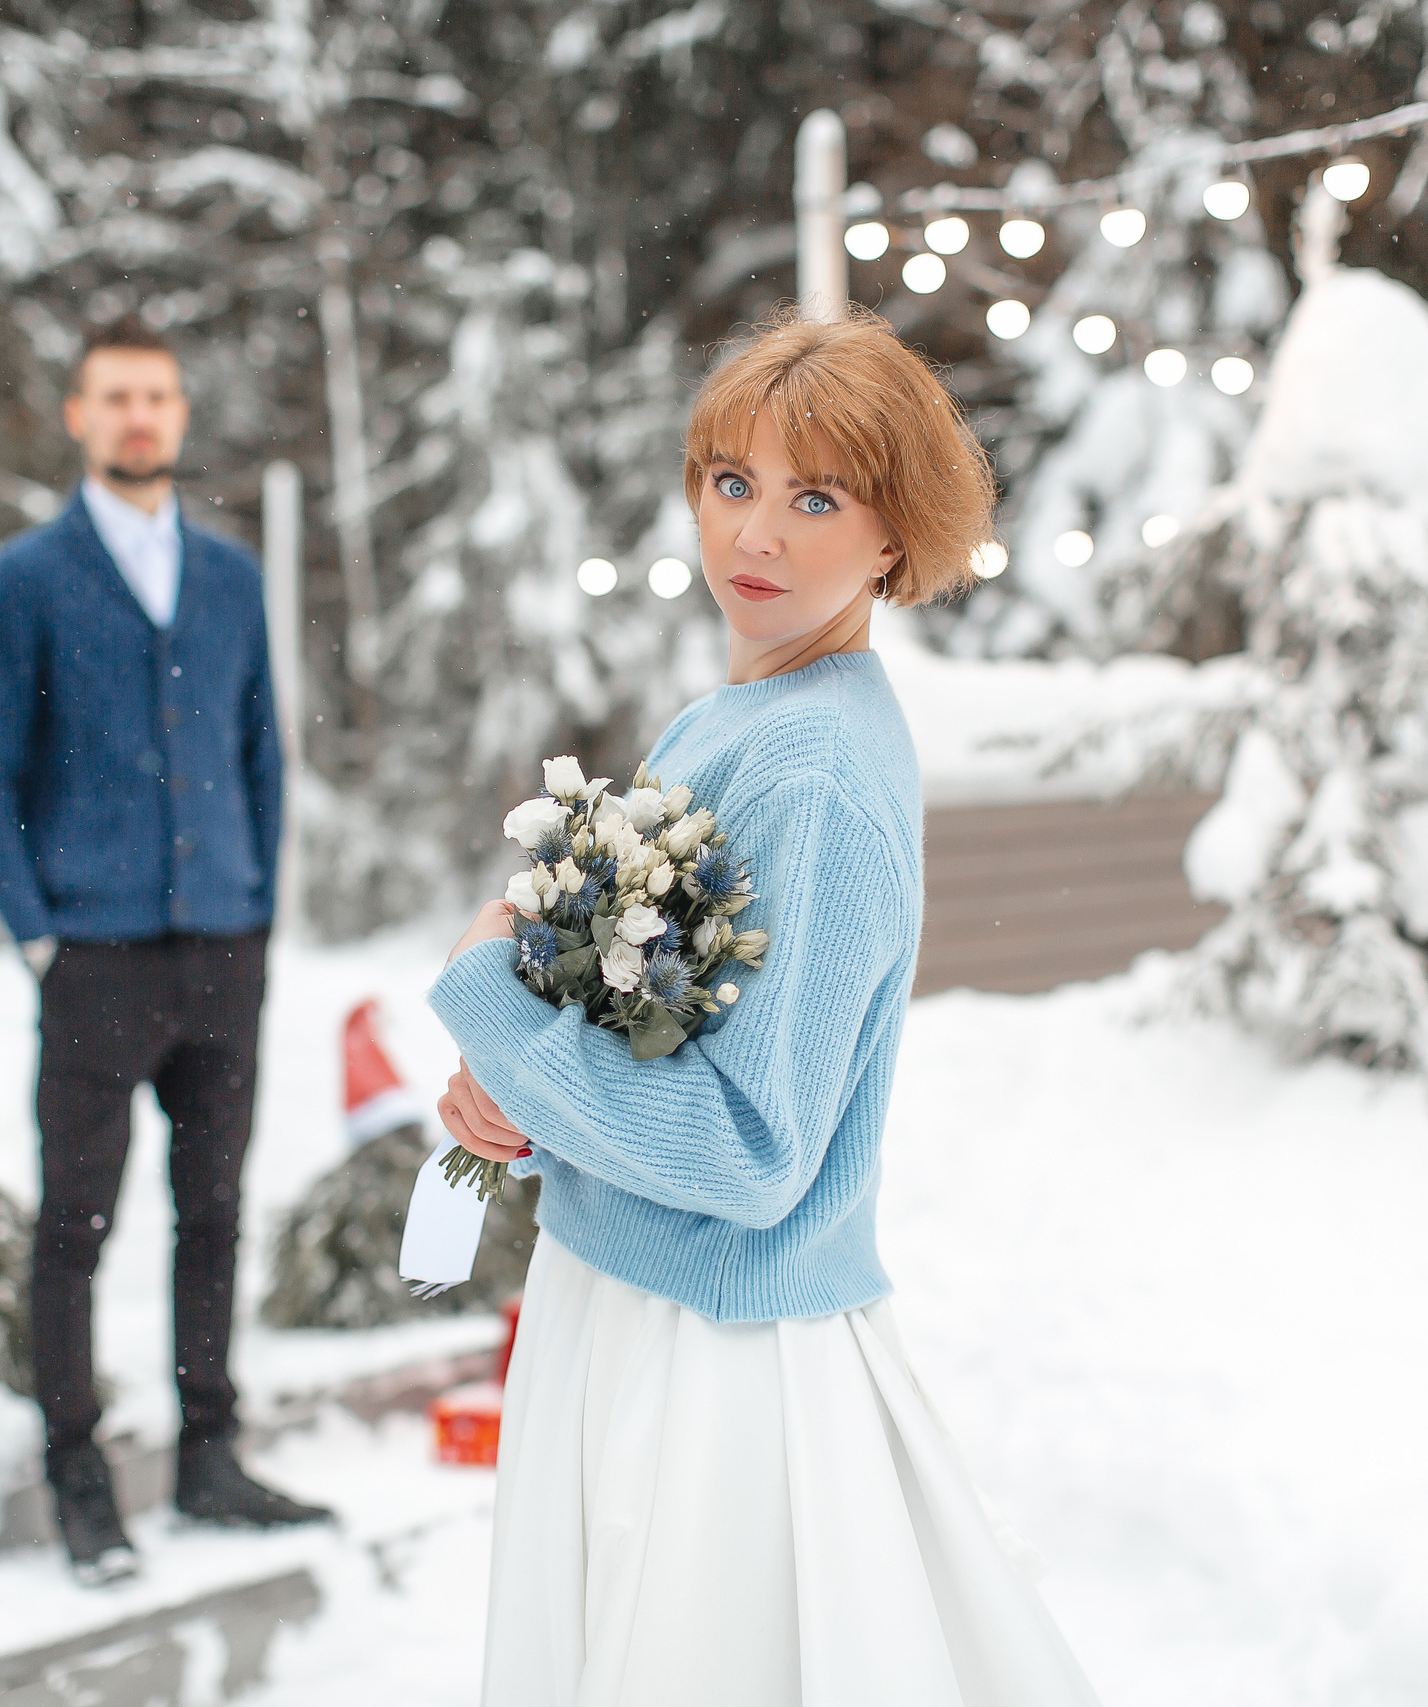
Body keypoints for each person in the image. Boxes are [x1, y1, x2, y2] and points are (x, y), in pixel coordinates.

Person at [427, 305, 1102, 1704]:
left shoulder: (816, 771)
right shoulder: (736, 716)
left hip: (716, 1357)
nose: (758, 536)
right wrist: (530, 1106)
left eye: (816, 498)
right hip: (634, 1296)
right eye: (732, 482)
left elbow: (749, 1146)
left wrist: (492, 1003)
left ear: (895, 535)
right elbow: (664, 1044)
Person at [0, 316, 330, 1587]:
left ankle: (210, 1457)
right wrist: (40, 935)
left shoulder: (227, 576)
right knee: (76, 1224)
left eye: (157, 396)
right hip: (96, 957)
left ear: (179, 415)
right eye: (114, 396)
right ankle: (80, 1478)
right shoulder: (27, 578)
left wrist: (261, 913)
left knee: (212, 1212)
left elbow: (261, 756)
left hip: (224, 945)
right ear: (77, 415)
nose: (138, 417)